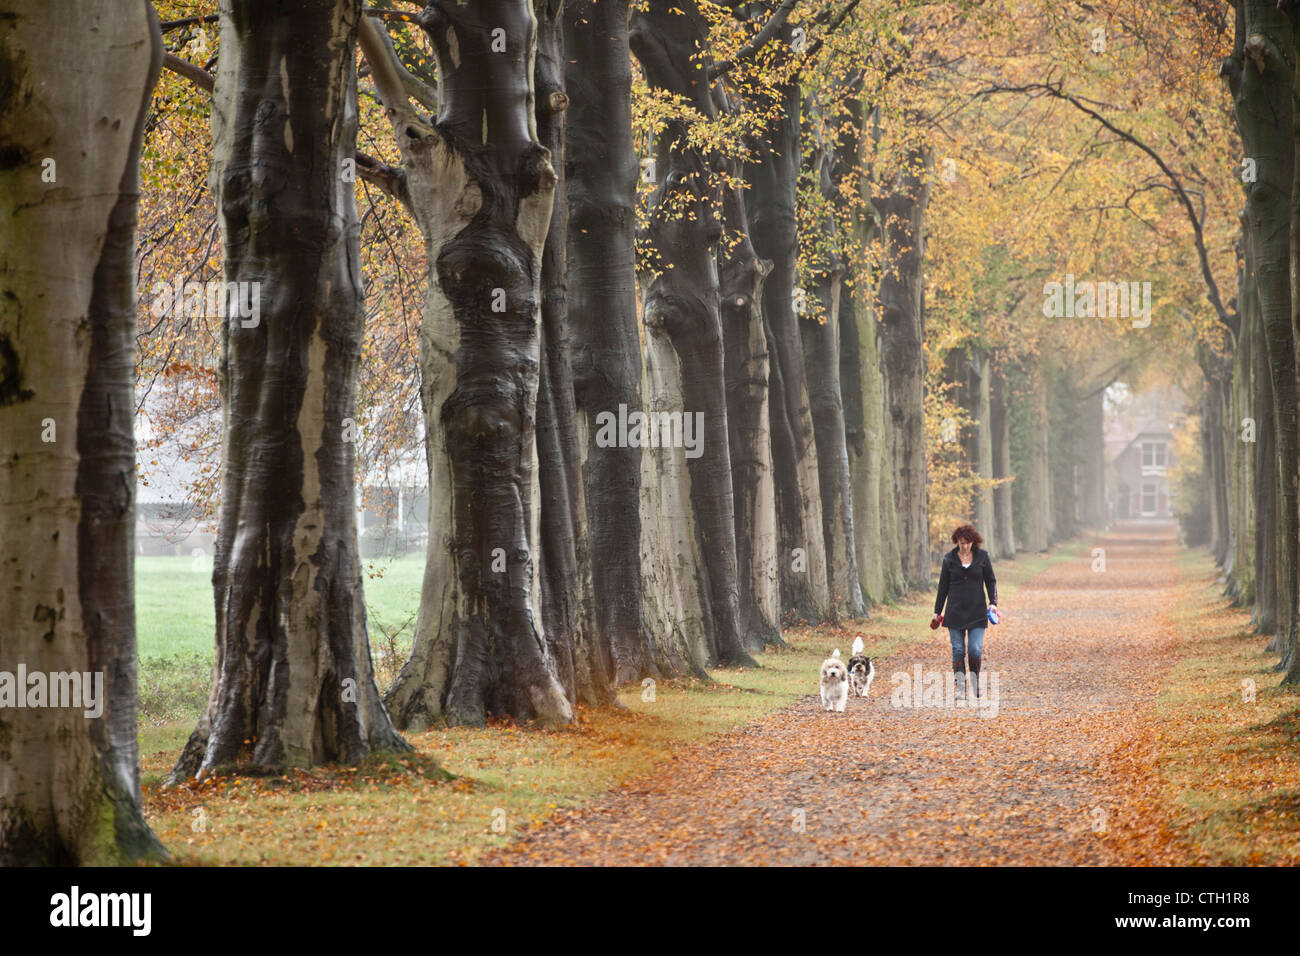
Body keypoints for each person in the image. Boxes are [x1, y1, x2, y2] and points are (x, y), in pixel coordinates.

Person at [932, 524, 998, 700]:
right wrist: (937, 611)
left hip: (977, 611)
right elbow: (943, 587)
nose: (965, 546)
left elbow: (991, 581)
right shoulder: (949, 559)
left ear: (973, 542)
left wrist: (993, 603)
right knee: (958, 650)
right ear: (957, 542)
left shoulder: (982, 557)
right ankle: (960, 688)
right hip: (955, 612)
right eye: (961, 543)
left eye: (967, 543)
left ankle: (975, 684)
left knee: (975, 649)